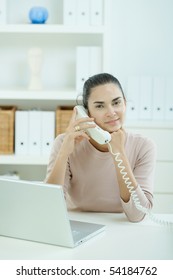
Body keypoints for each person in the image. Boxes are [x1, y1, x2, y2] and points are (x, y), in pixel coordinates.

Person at [45, 73, 156, 222]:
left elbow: (137, 215)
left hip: (121, 226)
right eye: (100, 106)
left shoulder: (144, 146)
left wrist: (119, 154)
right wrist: (64, 153)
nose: (111, 112)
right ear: (86, 112)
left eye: (116, 103)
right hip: (77, 222)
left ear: (125, 104)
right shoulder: (63, 143)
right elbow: (50, 208)